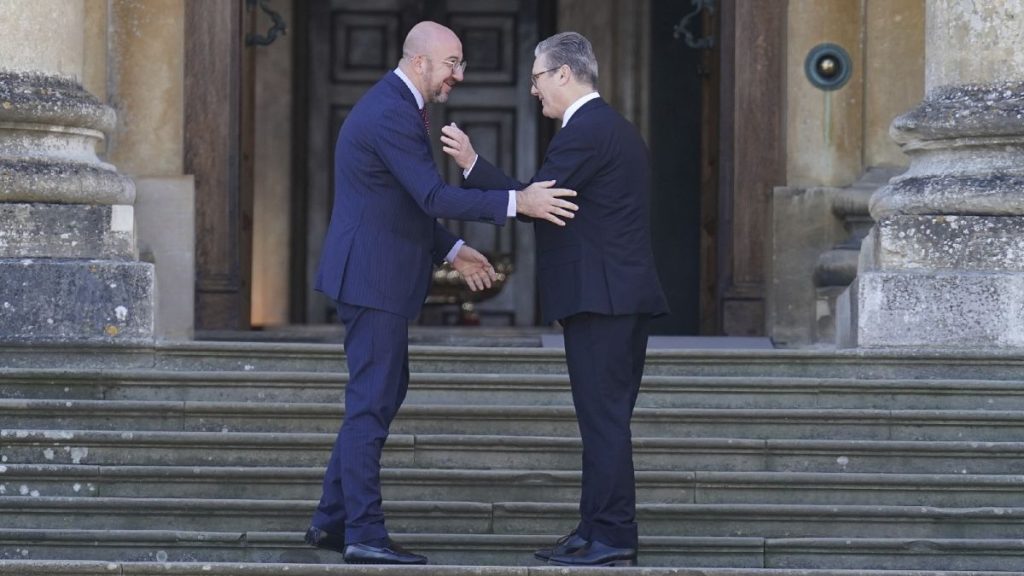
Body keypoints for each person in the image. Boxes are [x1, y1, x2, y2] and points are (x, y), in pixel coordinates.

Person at [305, 21, 579, 566]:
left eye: (461, 64)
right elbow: (430, 194)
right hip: (372, 278)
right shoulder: (390, 110)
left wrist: (454, 251)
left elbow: (404, 200)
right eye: (453, 62)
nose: (459, 74)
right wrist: (516, 201)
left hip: (375, 276)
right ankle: (363, 532)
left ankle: (331, 521)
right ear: (421, 62)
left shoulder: (399, 107)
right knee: (371, 403)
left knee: (379, 395)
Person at [441, 31, 669, 567]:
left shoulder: (585, 130)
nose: (533, 89)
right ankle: (595, 528)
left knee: (603, 420)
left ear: (564, 74)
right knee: (601, 419)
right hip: (610, 297)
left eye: (538, 77)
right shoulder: (603, 127)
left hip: (603, 300)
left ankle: (613, 535)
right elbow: (543, 200)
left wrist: (474, 165)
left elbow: (535, 201)